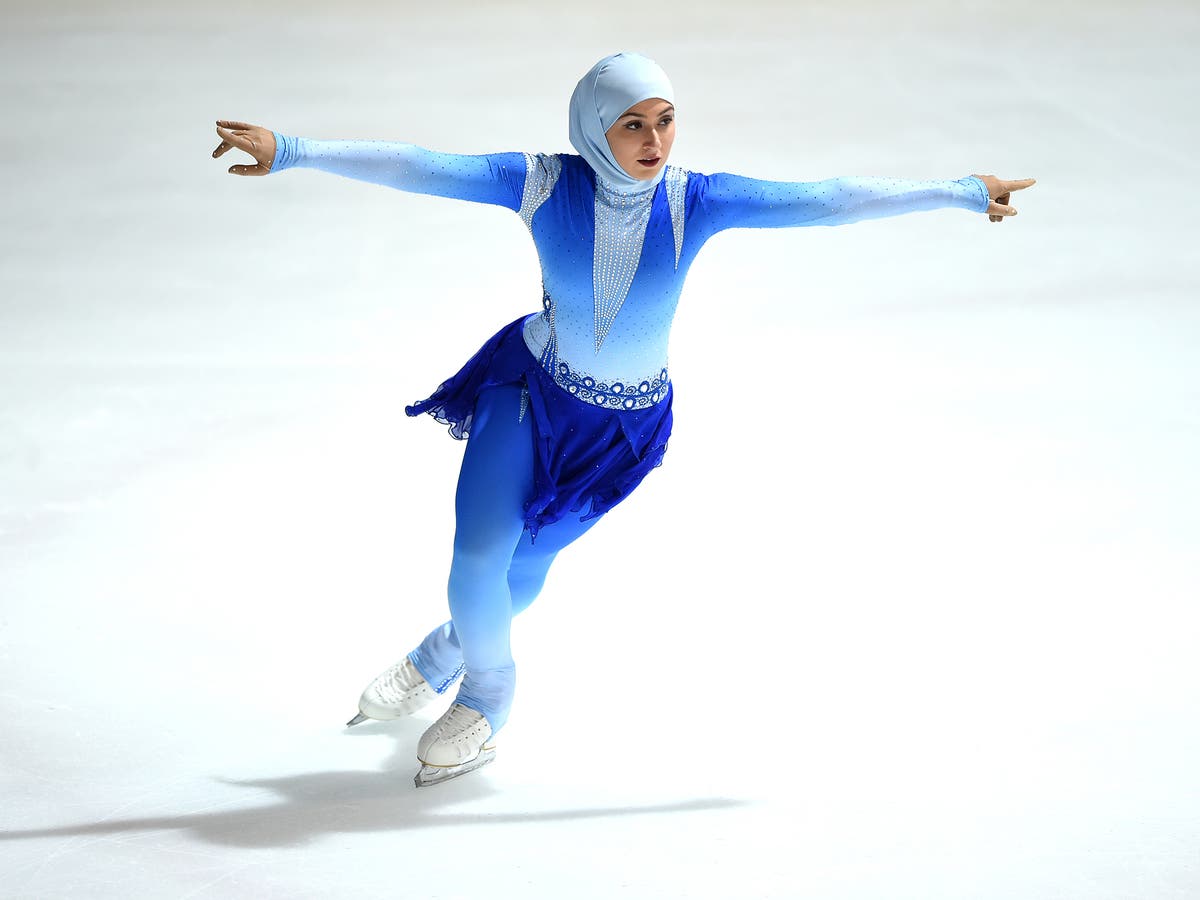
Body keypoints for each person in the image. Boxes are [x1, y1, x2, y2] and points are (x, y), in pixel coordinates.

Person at [212, 51, 1035, 787]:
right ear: (592, 129)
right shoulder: (540, 183)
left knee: (518, 574)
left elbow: (827, 200)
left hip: (618, 432)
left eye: (665, 120)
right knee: (475, 563)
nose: (654, 140)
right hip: (528, 387)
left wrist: (963, 193)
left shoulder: (695, 202)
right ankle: (490, 696)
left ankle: (444, 652)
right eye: (632, 123)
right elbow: (423, 165)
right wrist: (293, 150)